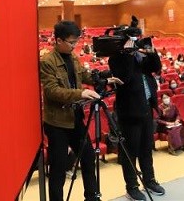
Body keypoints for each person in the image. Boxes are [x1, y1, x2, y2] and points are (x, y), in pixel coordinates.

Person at [40, 21, 122, 201]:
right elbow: (52, 91)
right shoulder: (47, 62)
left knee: (88, 157)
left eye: (76, 42)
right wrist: (81, 93)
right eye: (71, 42)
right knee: (59, 169)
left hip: (75, 119)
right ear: (58, 40)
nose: (74, 46)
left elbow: (85, 76)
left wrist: (104, 80)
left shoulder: (73, 57)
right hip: (57, 123)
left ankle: (91, 196)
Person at [109, 23, 166, 201]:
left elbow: (155, 67)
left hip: (146, 108)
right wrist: (127, 54)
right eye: (131, 38)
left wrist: (152, 52)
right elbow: (124, 78)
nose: (135, 41)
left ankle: (149, 180)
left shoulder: (140, 55)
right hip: (129, 112)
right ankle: (132, 187)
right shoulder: (116, 58)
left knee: (146, 149)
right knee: (130, 152)